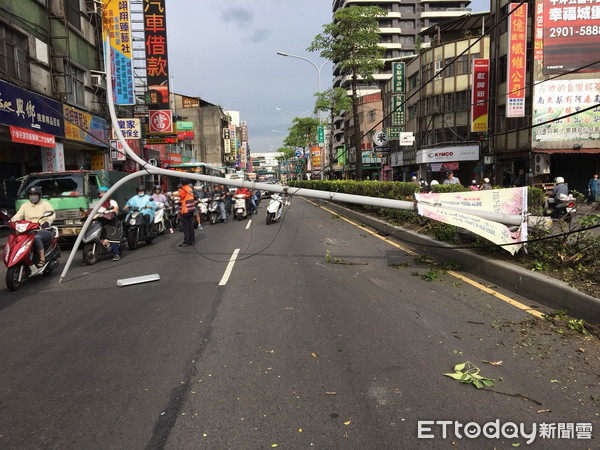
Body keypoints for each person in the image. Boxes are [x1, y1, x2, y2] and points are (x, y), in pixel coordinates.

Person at [11, 186, 55, 268]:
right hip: (29, 230)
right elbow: (17, 216)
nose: (33, 196)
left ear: (39, 195)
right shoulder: (25, 205)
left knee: (36, 238)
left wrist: (46, 223)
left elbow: (51, 215)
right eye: (31, 194)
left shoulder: (45, 204)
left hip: (43, 230)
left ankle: (42, 258)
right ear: (28, 196)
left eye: (35, 194)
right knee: (17, 239)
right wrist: (10, 221)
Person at [95, 187, 121, 261]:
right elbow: (93, 211)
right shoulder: (97, 203)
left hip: (111, 222)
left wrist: (109, 212)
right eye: (100, 193)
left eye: (103, 193)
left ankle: (116, 254)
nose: (101, 195)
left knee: (112, 237)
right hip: (100, 221)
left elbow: (115, 210)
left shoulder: (112, 202)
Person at [177, 179, 196, 247]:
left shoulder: (184, 189)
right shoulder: (189, 188)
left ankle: (187, 241)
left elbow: (180, 195)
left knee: (186, 227)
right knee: (191, 225)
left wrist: (173, 194)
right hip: (190, 209)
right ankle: (192, 240)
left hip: (185, 210)